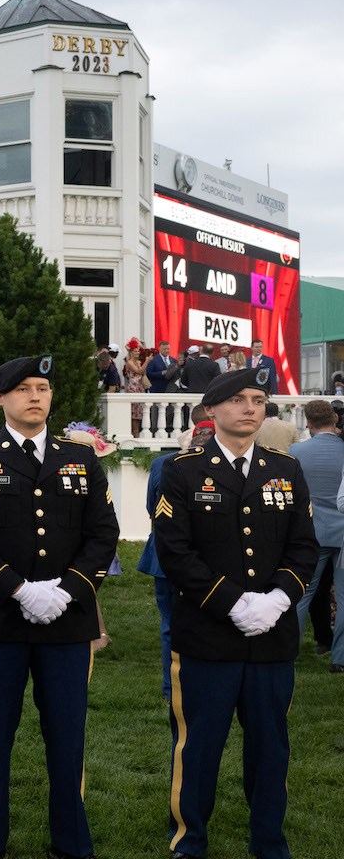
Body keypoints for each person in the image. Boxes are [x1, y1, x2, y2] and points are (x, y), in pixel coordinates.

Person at [0, 354, 119, 859]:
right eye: (23, 388)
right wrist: (20, 590)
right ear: (1, 398)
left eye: (42, 387)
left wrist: (66, 591)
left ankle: (71, 842)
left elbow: (103, 534)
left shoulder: (81, 457)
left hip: (67, 622)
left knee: (67, 739)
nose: (36, 396)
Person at [153, 367, 316, 859]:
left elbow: (303, 548)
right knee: (198, 746)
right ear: (211, 410)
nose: (251, 408)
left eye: (259, 400)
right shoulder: (182, 471)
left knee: (270, 748)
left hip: (272, 636)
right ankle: (189, 840)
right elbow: (175, 552)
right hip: (207, 635)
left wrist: (277, 600)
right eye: (240, 399)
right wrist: (234, 602)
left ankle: (269, 841)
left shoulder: (285, 469)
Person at [136, 421, 215, 701]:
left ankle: (173, 687)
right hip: (200, 559)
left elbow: (151, 508)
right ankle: (192, 684)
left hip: (165, 556)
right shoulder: (215, 466)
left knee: (171, 623)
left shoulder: (162, 463)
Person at [290, 401, 344, 674]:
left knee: (302, 594)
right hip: (341, 531)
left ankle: (288, 651)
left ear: (308, 423)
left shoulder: (297, 451)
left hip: (314, 532)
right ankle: (340, 659)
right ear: (334, 418)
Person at [123, 338, 146, 438]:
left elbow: (143, 373)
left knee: (139, 413)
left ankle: (137, 432)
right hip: (133, 388)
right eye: (136, 351)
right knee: (133, 413)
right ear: (131, 352)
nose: (138, 353)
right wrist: (147, 362)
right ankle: (135, 432)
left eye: (138, 351)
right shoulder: (129, 362)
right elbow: (138, 371)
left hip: (139, 387)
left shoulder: (139, 362)